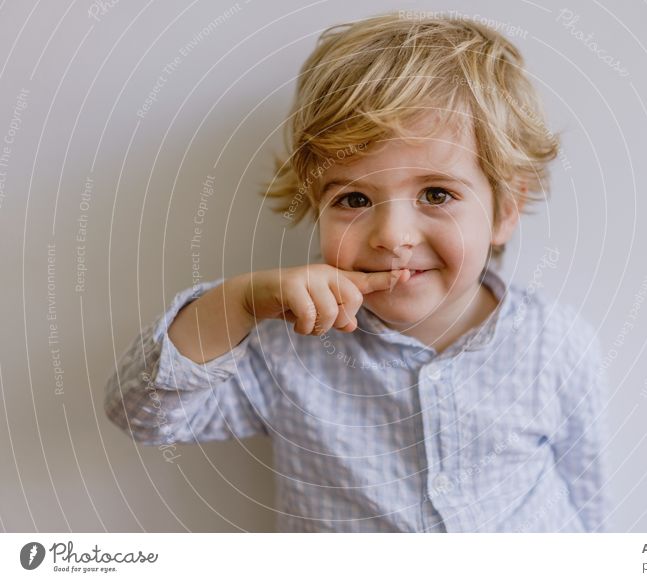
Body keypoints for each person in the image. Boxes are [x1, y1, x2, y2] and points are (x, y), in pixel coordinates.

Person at [104, 11, 609, 532]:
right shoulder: (288, 348)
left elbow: (586, 505)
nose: (393, 235)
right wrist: (237, 304)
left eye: (437, 194)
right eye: (355, 198)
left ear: (504, 211)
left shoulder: (556, 345)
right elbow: (141, 414)